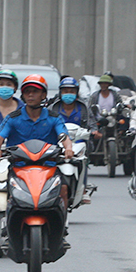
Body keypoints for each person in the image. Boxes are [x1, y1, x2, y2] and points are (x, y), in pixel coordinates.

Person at [0, 75, 75, 206]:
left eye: (35, 91)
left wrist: (68, 148)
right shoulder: (13, 118)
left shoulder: (54, 118)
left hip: (48, 166)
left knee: (63, 189)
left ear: (43, 94)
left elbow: (64, 136)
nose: (30, 95)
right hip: (19, 167)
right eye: (27, 92)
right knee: (3, 192)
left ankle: (61, 223)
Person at [49, 76, 94, 204]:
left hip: (78, 141)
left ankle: (83, 188)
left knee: (83, 160)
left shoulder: (83, 108)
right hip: (58, 140)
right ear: (60, 92)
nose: (68, 94)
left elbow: (91, 122)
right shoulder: (54, 108)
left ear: (77, 93)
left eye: (71, 91)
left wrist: (94, 131)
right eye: (65, 91)